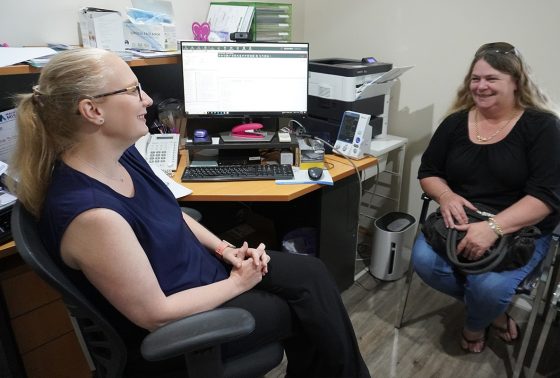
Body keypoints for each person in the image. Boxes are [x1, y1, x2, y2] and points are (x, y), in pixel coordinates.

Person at [9, 48, 370, 377]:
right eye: (134, 91)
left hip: (204, 274)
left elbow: (172, 213)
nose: (148, 100)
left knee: (311, 272)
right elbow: (155, 314)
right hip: (183, 320)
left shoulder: (122, 155)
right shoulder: (92, 216)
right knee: (309, 313)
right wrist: (236, 282)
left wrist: (225, 250)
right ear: (92, 110)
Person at [412, 42, 560, 353]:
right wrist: (447, 195)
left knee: (488, 287)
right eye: (475, 78)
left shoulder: (542, 127)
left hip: (520, 228)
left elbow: (546, 197)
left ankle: (475, 323)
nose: (481, 86)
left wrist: (493, 228)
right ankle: (492, 310)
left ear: (516, 82)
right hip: (462, 219)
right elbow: (429, 171)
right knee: (425, 263)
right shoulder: (455, 122)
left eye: (492, 79)